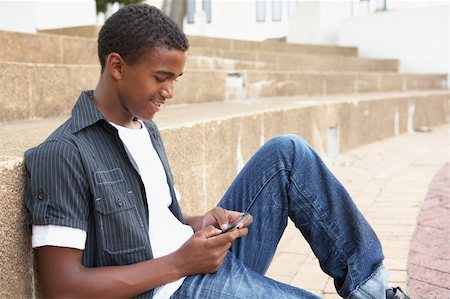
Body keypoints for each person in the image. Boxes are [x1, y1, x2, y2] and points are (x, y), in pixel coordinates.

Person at [24, 4, 409, 299]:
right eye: (161, 78)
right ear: (117, 66)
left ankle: (373, 290)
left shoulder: (143, 127)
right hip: (170, 289)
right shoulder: (64, 153)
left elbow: (153, 220)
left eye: (175, 79)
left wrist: (197, 222)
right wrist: (180, 263)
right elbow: (64, 286)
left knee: (287, 153)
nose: (169, 92)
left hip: (194, 262)